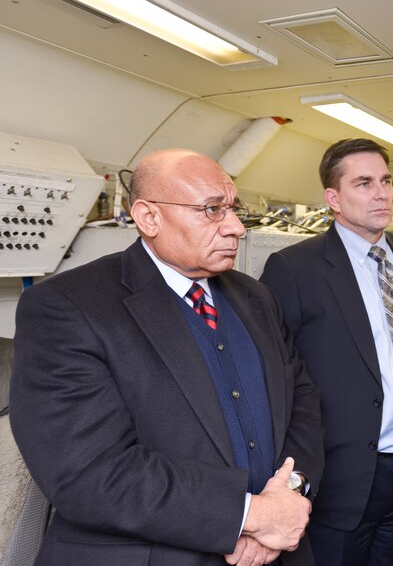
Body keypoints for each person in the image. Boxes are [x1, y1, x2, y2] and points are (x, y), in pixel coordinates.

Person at [10, 148, 324, 566]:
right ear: (148, 217)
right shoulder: (67, 307)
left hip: (277, 548)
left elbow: (301, 399)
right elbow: (90, 472)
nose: (235, 228)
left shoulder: (255, 296)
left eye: (233, 208)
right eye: (212, 210)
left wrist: (290, 492)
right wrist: (249, 516)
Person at [260, 138, 393, 565]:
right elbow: (274, 376)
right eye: (363, 183)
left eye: (384, 180)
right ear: (333, 198)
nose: (381, 192)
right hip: (341, 472)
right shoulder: (295, 268)